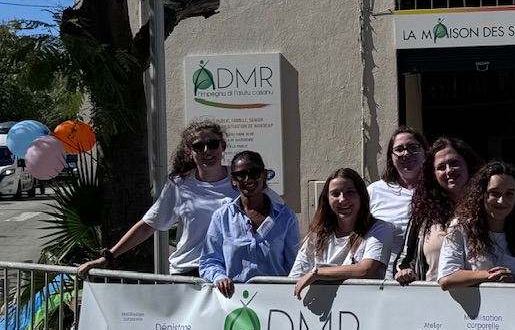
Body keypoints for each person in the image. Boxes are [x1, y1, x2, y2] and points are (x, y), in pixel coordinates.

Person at [78, 120, 236, 278]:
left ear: (223, 146)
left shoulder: (243, 180)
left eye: (212, 144)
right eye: (198, 147)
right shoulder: (179, 185)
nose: (206, 151)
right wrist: (106, 258)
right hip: (190, 272)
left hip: (232, 271)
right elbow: (148, 225)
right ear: (190, 152)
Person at [438, 160, 515, 306]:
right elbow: (446, 278)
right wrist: (489, 276)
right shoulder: (461, 227)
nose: (501, 201)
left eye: (509, 194)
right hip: (476, 321)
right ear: (481, 194)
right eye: (494, 193)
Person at [199, 150, 300, 298]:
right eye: (241, 175)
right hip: (233, 301)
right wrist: (219, 277)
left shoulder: (285, 217)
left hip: (275, 300)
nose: (247, 179)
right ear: (233, 180)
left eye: (254, 173)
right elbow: (209, 260)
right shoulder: (222, 217)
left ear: (264, 175)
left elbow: (294, 264)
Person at [290, 168, 397, 298]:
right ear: (327, 199)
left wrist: (316, 273)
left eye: (350, 192)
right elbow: (295, 277)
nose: (342, 199)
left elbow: (365, 270)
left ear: (361, 196)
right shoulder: (317, 236)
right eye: (335, 194)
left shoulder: (379, 229)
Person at [395, 137, 481, 284]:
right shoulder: (423, 216)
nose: (449, 171)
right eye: (441, 167)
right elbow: (405, 258)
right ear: (433, 175)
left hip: (482, 302)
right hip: (432, 302)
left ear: (468, 165)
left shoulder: (487, 210)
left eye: (454, 163)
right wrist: (403, 271)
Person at [368, 126, 428, 259]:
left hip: (428, 277)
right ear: (391, 157)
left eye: (413, 147)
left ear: (425, 152)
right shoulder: (375, 191)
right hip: (383, 277)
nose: (406, 154)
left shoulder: (437, 192)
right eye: (399, 150)